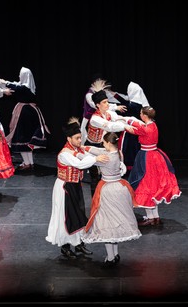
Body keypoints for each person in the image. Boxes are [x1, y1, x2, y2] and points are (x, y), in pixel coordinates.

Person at [46, 120, 107, 258]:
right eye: (77, 138)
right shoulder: (65, 154)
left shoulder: (76, 149)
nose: (80, 140)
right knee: (65, 216)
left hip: (75, 186)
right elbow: (80, 164)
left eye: (80, 138)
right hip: (65, 187)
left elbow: (87, 155)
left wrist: (103, 154)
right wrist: (95, 159)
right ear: (69, 139)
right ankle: (65, 246)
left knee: (78, 214)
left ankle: (79, 243)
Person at [83, 132, 142, 266]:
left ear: (109, 143)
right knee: (114, 222)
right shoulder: (118, 153)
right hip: (119, 188)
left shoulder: (107, 158)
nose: (103, 145)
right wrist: (83, 147)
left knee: (106, 223)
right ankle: (114, 254)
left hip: (109, 191)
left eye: (104, 143)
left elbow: (89, 160)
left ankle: (110, 258)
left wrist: (77, 152)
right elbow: (98, 150)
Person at [124, 106, 182, 226]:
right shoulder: (153, 125)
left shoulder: (145, 129)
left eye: (141, 113)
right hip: (155, 156)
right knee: (153, 186)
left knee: (145, 185)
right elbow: (138, 124)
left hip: (147, 157)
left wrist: (121, 120)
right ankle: (155, 216)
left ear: (145, 116)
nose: (140, 115)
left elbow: (131, 128)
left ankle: (150, 218)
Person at [84, 89, 129, 195]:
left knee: (106, 174)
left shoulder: (109, 113)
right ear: (97, 105)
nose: (107, 104)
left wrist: (135, 123)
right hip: (93, 147)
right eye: (104, 102)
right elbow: (110, 126)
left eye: (107, 101)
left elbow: (121, 118)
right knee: (95, 177)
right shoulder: (95, 119)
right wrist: (126, 127)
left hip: (104, 146)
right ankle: (96, 200)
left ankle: (106, 198)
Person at [5, 67, 50, 174]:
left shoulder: (23, 88)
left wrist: (3, 82)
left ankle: (27, 163)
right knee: (28, 139)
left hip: (24, 114)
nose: (19, 76)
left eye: (20, 74)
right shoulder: (29, 87)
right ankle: (30, 162)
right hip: (31, 112)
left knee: (21, 137)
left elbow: (13, 86)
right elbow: (15, 84)